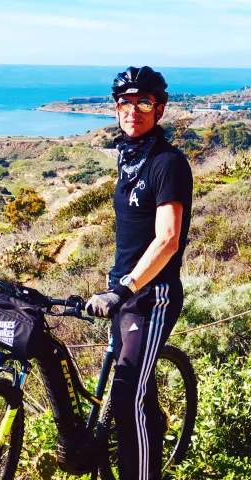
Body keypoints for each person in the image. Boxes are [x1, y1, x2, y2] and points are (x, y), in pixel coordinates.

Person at [85, 66, 193, 480]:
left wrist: (125, 288)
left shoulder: (168, 163)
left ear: (159, 110)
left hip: (153, 296)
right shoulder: (129, 159)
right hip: (123, 292)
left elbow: (167, 239)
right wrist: (116, 287)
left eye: (144, 103)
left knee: (126, 394)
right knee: (138, 392)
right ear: (116, 109)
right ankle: (153, 429)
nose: (133, 110)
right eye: (125, 103)